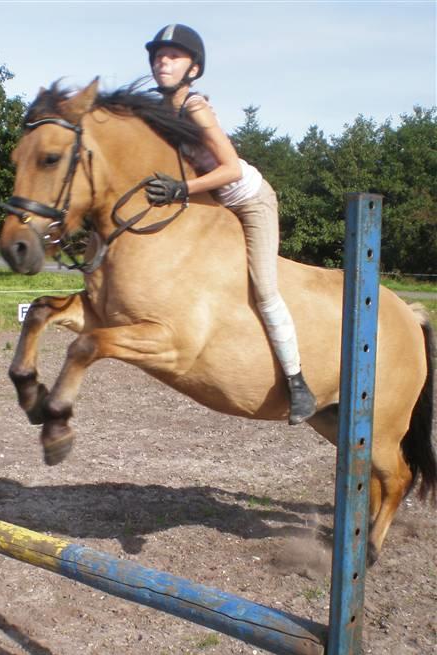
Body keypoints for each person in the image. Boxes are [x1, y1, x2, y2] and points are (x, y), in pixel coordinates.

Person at [144, 24, 317, 425]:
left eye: (173, 56)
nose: (162, 61)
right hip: (211, 203)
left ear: (194, 68)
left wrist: (181, 188)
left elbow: (229, 168)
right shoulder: (161, 110)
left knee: (264, 286)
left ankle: (297, 383)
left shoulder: (195, 107)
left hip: (249, 201)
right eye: (157, 55)